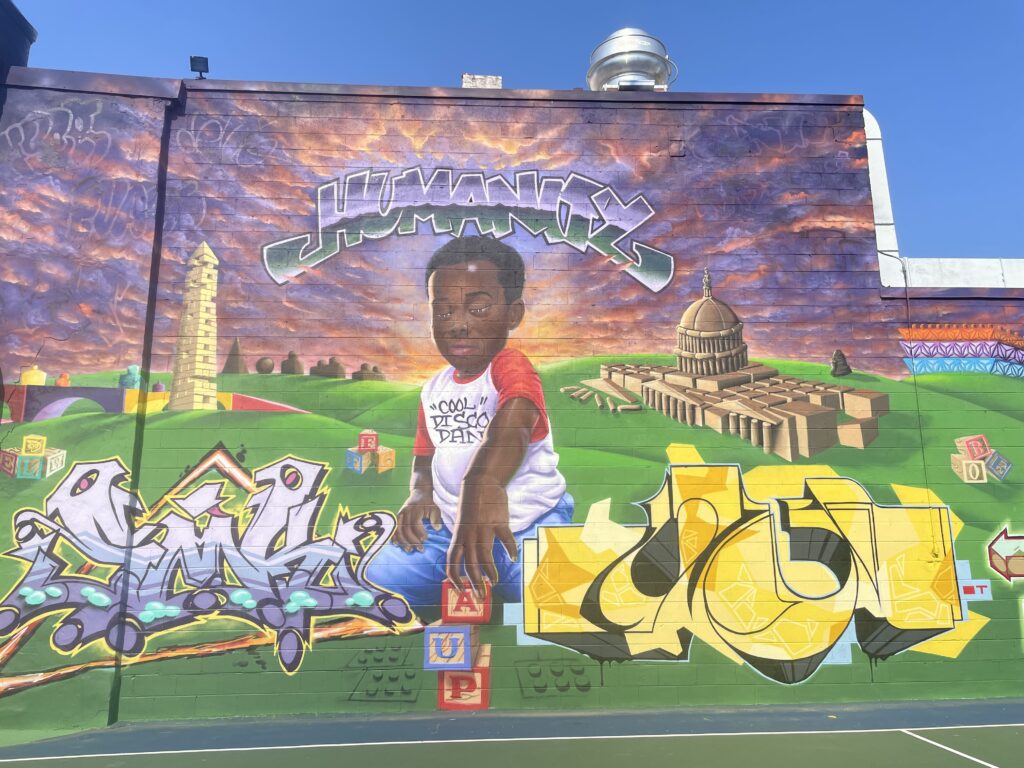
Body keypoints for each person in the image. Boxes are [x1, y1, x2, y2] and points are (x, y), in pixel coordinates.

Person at [365, 236, 572, 615]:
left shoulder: (509, 367)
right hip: (450, 532)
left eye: (477, 309)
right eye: (443, 312)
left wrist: (483, 483)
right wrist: (419, 494)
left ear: (513, 314)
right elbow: (425, 456)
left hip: (526, 526)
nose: (458, 325)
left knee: (557, 605)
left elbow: (515, 423)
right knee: (375, 584)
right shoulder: (433, 389)